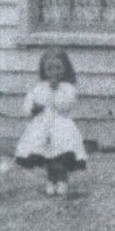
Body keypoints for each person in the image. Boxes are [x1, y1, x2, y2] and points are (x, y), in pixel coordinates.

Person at [14, 49, 86, 197]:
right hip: (43, 127)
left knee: (61, 154)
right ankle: (51, 180)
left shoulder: (68, 88)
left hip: (61, 126)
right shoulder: (39, 88)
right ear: (44, 70)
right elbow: (28, 105)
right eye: (49, 68)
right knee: (47, 155)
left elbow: (66, 105)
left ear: (65, 69)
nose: (54, 72)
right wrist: (34, 108)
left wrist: (55, 91)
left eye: (58, 68)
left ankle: (62, 181)